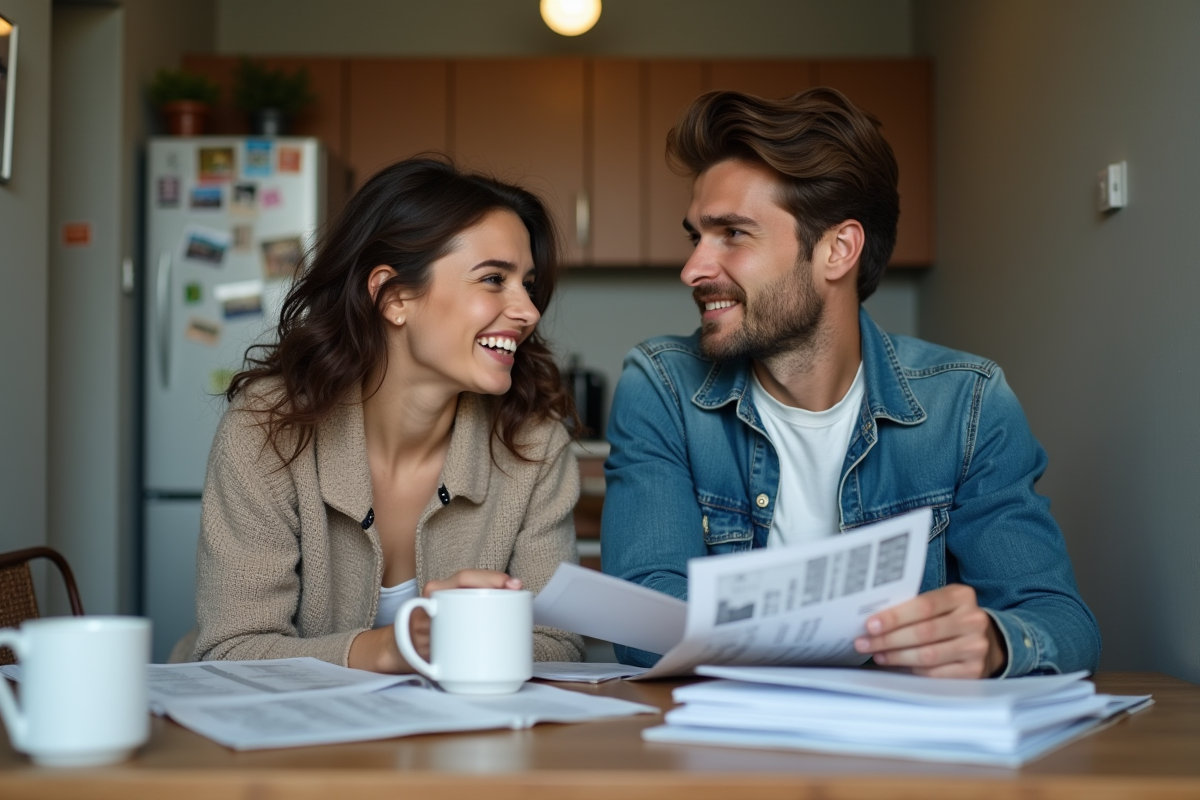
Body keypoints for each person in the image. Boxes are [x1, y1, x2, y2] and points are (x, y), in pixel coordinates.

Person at [601, 88, 1100, 679]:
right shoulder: (662, 386)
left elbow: (1060, 622)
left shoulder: (967, 404)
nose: (693, 269)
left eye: (732, 234)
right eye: (696, 237)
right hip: (728, 750)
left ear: (838, 249)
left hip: (903, 756)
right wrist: (843, 641)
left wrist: (991, 642)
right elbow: (647, 620)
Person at [180, 157, 585, 671]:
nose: (528, 310)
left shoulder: (531, 441)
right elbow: (233, 650)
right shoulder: (269, 429)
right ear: (394, 297)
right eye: (493, 280)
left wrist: (475, 632)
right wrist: (396, 646)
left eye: (527, 284)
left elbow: (558, 646)